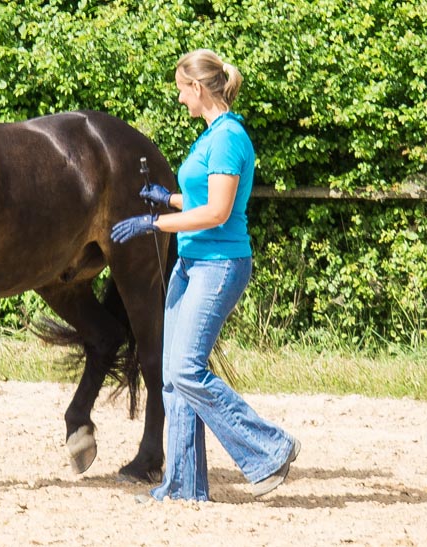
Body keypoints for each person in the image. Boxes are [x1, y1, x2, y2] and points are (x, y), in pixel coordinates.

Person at [111, 49, 300, 501]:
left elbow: (217, 213)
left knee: (187, 369)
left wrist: (154, 224)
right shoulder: (210, 137)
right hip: (192, 264)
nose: (180, 100)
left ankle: (270, 446)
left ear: (197, 88)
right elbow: (202, 199)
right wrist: (167, 198)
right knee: (172, 378)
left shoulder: (228, 138)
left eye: (181, 89)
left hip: (220, 265)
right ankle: (183, 485)